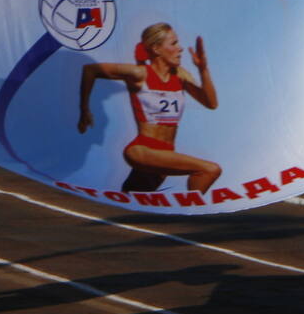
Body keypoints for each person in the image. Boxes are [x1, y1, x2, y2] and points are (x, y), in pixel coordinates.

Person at [77, 23, 219, 193]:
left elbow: (211, 103)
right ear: (157, 49)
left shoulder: (180, 75)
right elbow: (90, 70)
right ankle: (192, 213)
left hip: (165, 153)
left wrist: (203, 69)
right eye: (173, 43)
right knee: (209, 170)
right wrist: (84, 109)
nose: (180, 49)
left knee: (132, 201)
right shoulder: (140, 74)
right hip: (142, 149)